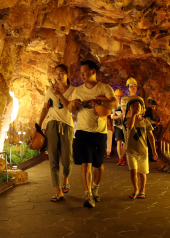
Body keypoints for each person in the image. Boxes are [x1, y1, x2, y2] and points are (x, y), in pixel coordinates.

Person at [70, 60, 118, 208]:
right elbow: (71, 110)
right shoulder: (77, 91)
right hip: (82, 131)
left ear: (93, 72)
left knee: (98, 164)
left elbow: (114, 104)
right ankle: (87, 194)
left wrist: (98, 101)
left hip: (99, 132)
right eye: (80, 72)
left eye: (85, 71)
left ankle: (95, 187)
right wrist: (73, 105)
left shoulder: (104, 88)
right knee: (86, 164)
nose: (82, 74)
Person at [38, 64, 75, 202]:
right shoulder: (50, 90)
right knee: (52, 158)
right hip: (52, 125)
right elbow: (45, 108)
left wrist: (59, 95)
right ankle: (58, 190)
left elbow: (71, 109)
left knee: (67, 159)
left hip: (66, 126)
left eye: (61, 73)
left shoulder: (73, 91)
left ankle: (65, 177)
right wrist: (39, 124)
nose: (58, 76)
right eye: (56, 73)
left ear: (67, 74)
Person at [125, 96, 157, 199]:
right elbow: (130, 126)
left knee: (142, 173)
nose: (136, 107)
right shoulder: (128, 120)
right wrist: (133, 115)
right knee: (133, 171)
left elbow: (151, 136)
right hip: (131, 151)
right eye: (133, 106)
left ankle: (142, 190)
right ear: (129, 108)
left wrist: (154, 151)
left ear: (142, 108)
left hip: (143, 151)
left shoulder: (146, 122)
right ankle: (135, 189)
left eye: (138, 106)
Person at [117, 78, 139, 166]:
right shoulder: (124, 99)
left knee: (137, 143)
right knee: (127, 142)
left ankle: (135, 160)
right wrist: (135, 113)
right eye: (131, 86)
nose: (133, 87)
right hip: (128, 124)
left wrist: (133, 113)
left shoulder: (139, 98)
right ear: (128, 88)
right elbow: (124, 112)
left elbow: (143, 112)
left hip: (138, 125)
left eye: (134, 86)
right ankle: (125, 159)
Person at [112, 89, 126, 163]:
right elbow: (112, 116)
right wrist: (120, 116)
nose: (119, 98)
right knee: (119, 142)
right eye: (117, 96)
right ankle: (120, 158)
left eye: (120, 96)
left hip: (125, 125)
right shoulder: (114, 105)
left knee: (125, 142)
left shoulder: (125, 104)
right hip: (117, 125)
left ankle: (123, 156)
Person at [145, 96, 158, 162]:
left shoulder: (150, 111)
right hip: (149, 129)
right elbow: (148, 120)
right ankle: (150, 156)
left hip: (151, 128)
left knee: (150, 142)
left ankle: (150, 156)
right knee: (150, 142)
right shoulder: (148, 111)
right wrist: (156, 122)